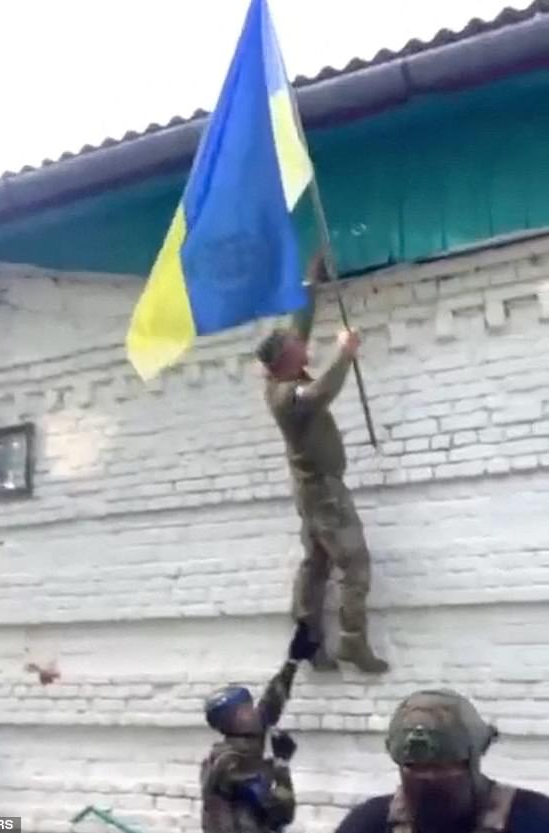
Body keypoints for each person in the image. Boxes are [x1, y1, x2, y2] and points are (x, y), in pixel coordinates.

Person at [256, 252, 388, 674]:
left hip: (311, 490)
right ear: (284, 362)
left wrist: (312, 283)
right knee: (354, 562)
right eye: (300, 349)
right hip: (323, 492)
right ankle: (352, 642)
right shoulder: (285, 396)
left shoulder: (284, 370)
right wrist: (345, 354)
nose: (306, 346)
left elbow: (299, 326)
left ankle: (309, 642)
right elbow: (320, 396)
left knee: (317, 563)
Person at [336, 688, 549, 833]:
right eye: (414, 768)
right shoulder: (370, 822)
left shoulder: (533, 817)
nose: (429, 779)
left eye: (443, 767)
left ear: (473, 759)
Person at [200, 622, 317, 832]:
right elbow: (282, 812)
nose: (254, 711)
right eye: (247, 708)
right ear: (233, 721)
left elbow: (270, 706)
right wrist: (281, 765)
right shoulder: (228, 765)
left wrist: (292, 661)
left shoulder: (243, 745)